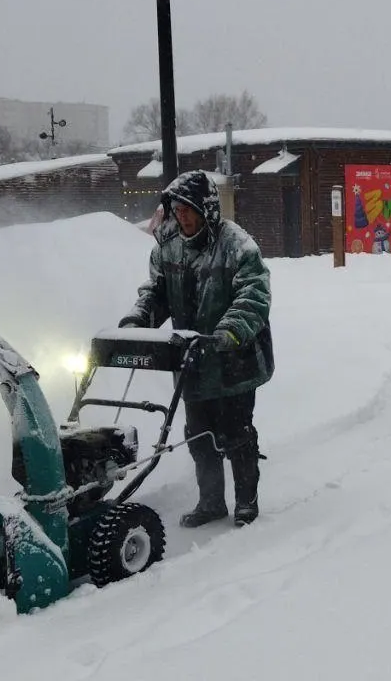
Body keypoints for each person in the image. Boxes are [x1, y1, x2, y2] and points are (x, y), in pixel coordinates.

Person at [118, 170, 274, 528]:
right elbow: (156, 294)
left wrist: (229, 331)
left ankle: (246, 501)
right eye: (176, 209)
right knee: (199, 434)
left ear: (207, 209)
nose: (182, 216)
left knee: (236, 432)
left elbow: (254, 295)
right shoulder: (168, 247)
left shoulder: (237, 245)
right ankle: (211, 501)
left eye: (188, 209)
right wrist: (136, 321)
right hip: (191, 359)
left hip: (234, 358)